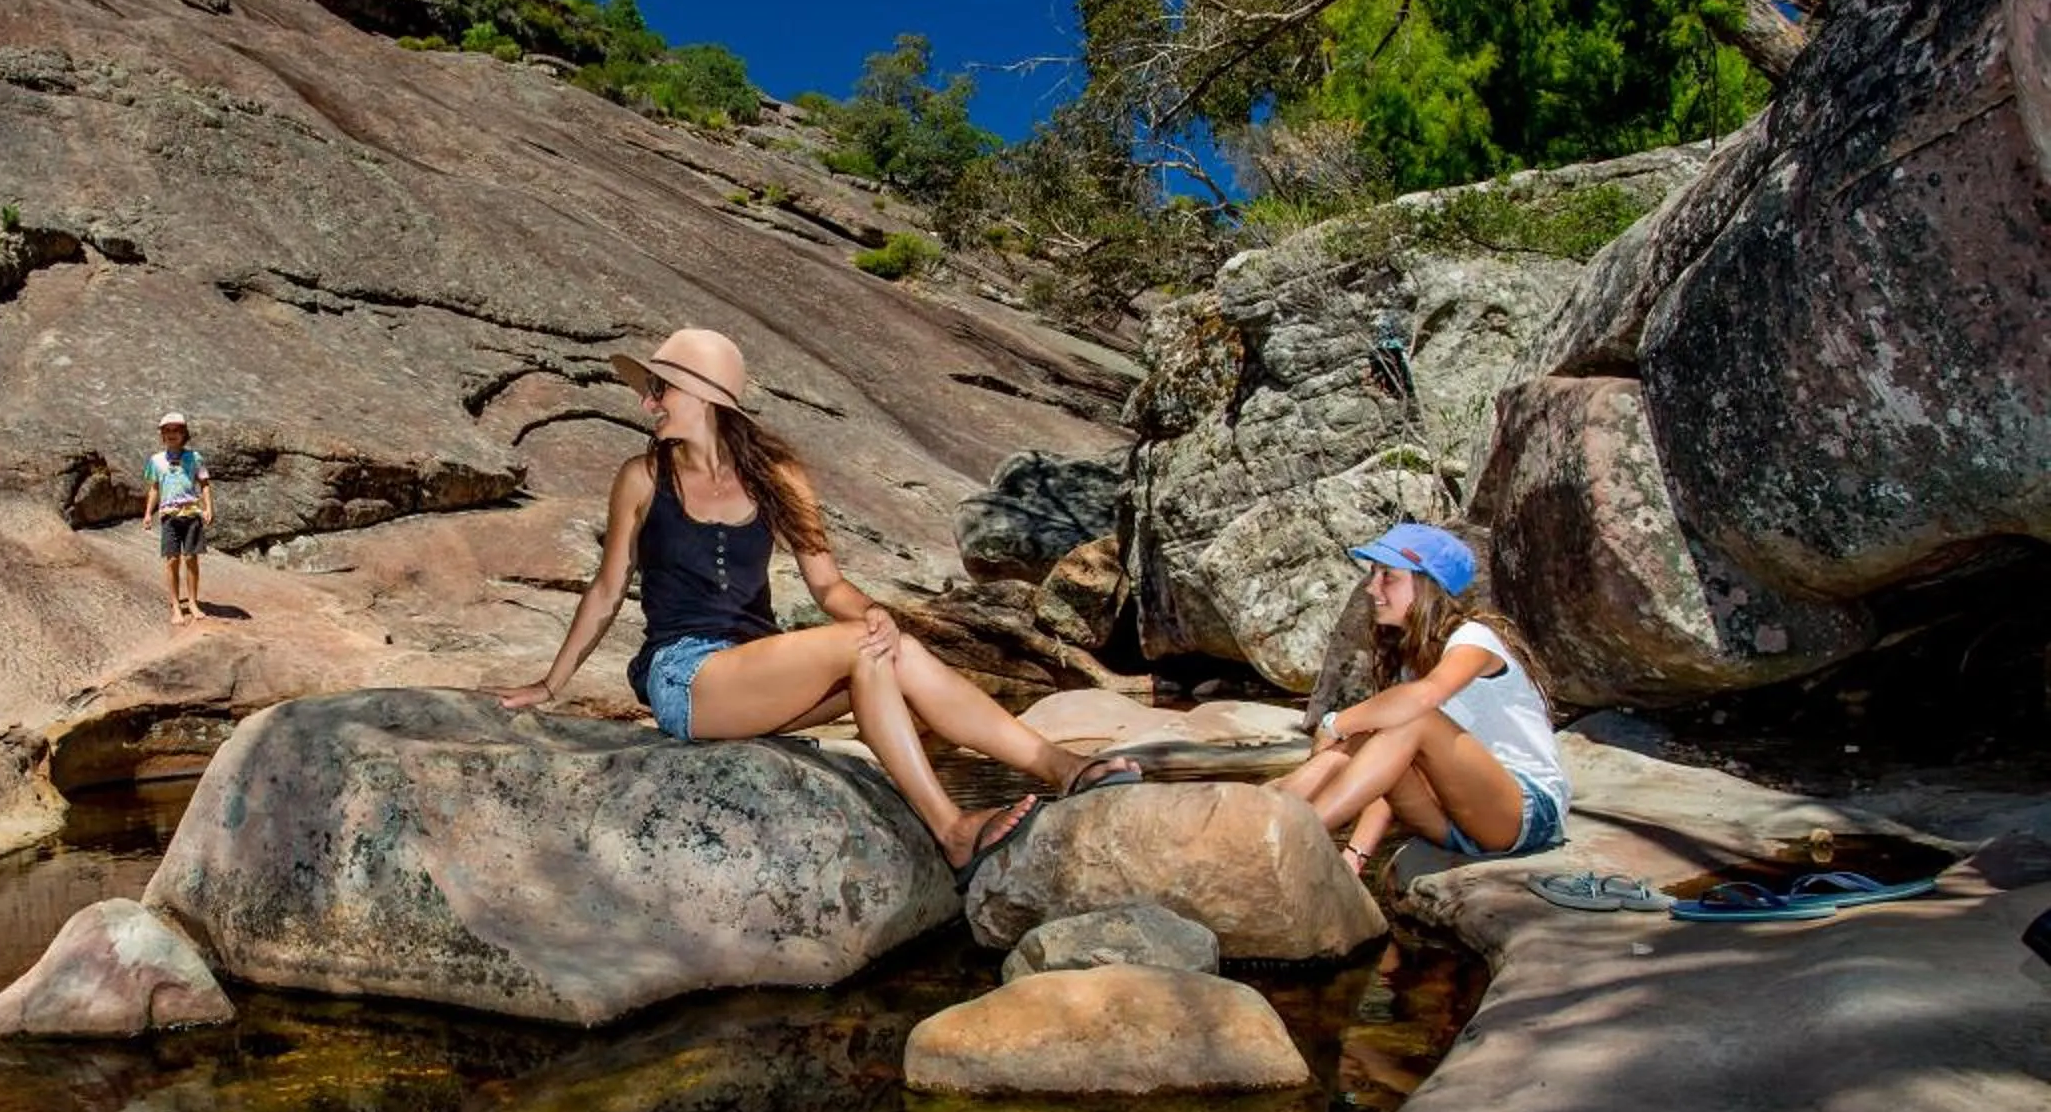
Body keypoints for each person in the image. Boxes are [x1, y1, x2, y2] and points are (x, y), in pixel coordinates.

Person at [497, 328, 1136, 888]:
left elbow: (828, 586)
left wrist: (875, 612)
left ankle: (1067, 767)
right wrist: (551, 684)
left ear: (706, 397)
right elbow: (608, 588)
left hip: (759, 671)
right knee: (865, 649)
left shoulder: (780, 476)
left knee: (897, 650)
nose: (648, 404)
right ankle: (951, 829)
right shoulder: (641, 477)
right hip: (686, 675)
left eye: (660, 390)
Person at [1275, 522, 1568, 874]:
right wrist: (1355, 857)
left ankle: (1290, 837)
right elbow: (1385, 769)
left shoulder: (1474, 639)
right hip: (1449, 821)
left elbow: (1425, 698)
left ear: (1428, 586)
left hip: (1524, 814)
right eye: (1374, 574)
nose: (1372, 588)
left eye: (1388, 576)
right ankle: (1263, 814)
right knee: (1367, 739)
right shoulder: (1412, 666)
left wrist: (1336, 722)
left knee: (1410, 718)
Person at [143, 410, 212, 624]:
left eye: (176, 430)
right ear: (162, 435)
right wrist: (147, 513)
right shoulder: (156, 460)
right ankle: (175, 605)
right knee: (172, 560)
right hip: (169, 516)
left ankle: (192, 601)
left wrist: (208, 508)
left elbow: (204, 483)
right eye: (167, 431)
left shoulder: (194, 457)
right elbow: (154, 488)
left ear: (184, 433)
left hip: (191, 514)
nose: (172, 434)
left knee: (191, 558)